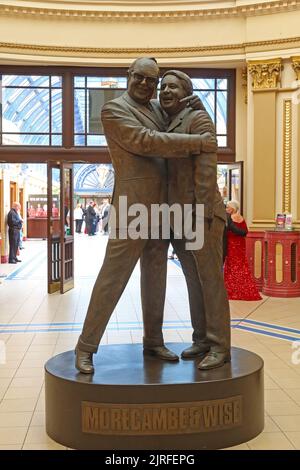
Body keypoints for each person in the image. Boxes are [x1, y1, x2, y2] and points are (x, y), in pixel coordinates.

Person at [75, 57, 217, 374]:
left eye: (151, 81)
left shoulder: (155, 107)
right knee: (113, 278)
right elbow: (146, 141)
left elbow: (179, 109)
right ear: (129, 76)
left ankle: (153, 340)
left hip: (164, 207)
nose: (146, 85)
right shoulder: (114, 110)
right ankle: (85, 347)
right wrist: (198, 142)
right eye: (140, 77)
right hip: (132, 208)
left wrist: (195, 100)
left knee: (156, 276)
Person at [157, 70, 230, 369]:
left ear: (185, 92)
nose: (166, 91)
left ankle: (219, 346)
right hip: (179, 216)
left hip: (201, 215)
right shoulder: (169, 120)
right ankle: (201, 338)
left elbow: (205, 171)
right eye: (163, 87)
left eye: (173, 86)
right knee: (193, 281)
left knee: (210, 282)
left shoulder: (198, 119)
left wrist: (201, 215)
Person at [223, 200, 262, 301]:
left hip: (232, 244)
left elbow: (230, 231)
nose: (226, 209)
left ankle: (233, 291)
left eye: (228, 207)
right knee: (242, 266)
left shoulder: (231, 218)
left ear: (233, 208)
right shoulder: (241, 217)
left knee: (232, 266)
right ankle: (246, 290)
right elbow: (246, 231)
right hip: (241, 244)